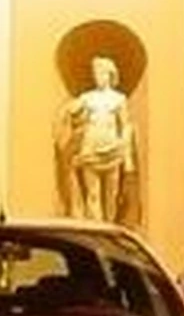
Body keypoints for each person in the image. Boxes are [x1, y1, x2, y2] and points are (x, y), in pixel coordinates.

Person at [57, 55, 136, 224]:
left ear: (110, 75)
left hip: (112, 148)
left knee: (112, 193)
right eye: (95, 73)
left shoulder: (119, 99)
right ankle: (96, 226)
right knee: (92, 193)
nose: (97, 77)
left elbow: (126, 126)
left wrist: (127, 157)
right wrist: (71, 111)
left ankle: (109, 225)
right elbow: (72, 115)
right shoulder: (87, 98)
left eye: (101, 73)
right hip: (90, 147)